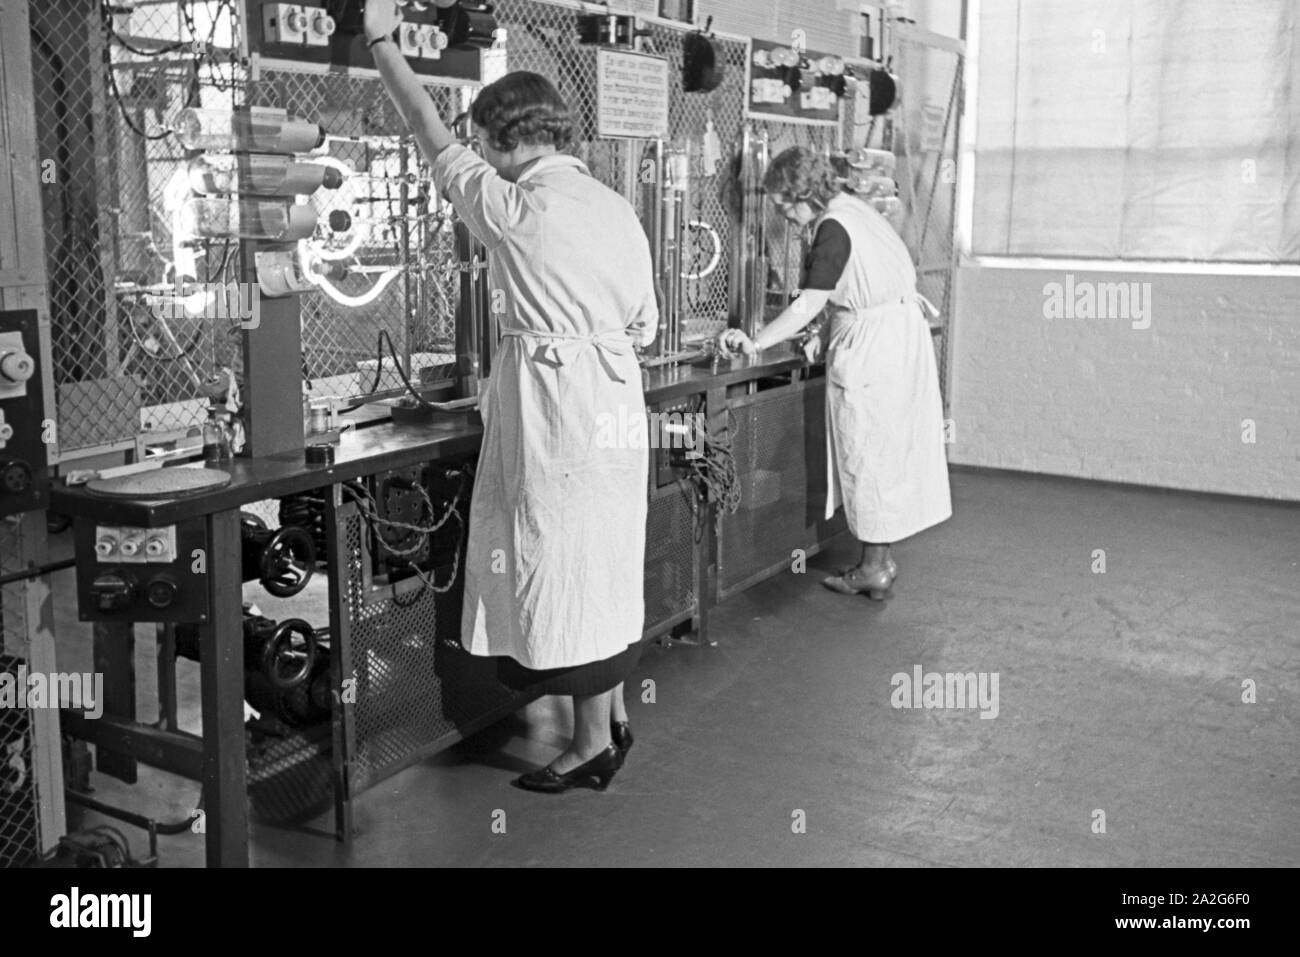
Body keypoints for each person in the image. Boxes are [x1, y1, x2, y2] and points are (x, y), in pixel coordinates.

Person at [366, 1, 658, 792]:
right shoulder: (616, 207)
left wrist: (382, 43)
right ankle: (617, 715)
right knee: (602, 563)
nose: (481, 155)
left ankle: (590, 743)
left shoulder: (513, 205)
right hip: (616, 403)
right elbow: (646, 324)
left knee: (557, 565)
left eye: (484, 143)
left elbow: (429, 128)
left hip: (557, 411)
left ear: (498, 139)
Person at [717, 147, 951, 599]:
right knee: (882, 451)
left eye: (784, 202)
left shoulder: (832, 227)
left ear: (803, 193)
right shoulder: (854, 212)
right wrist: (824, 333)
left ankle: (874, 567)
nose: (782, 214)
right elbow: (854, 287)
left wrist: (757, 341)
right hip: (893, 334)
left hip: (875, 347)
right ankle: (878, 560)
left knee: (867, 452)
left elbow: (810, 299)